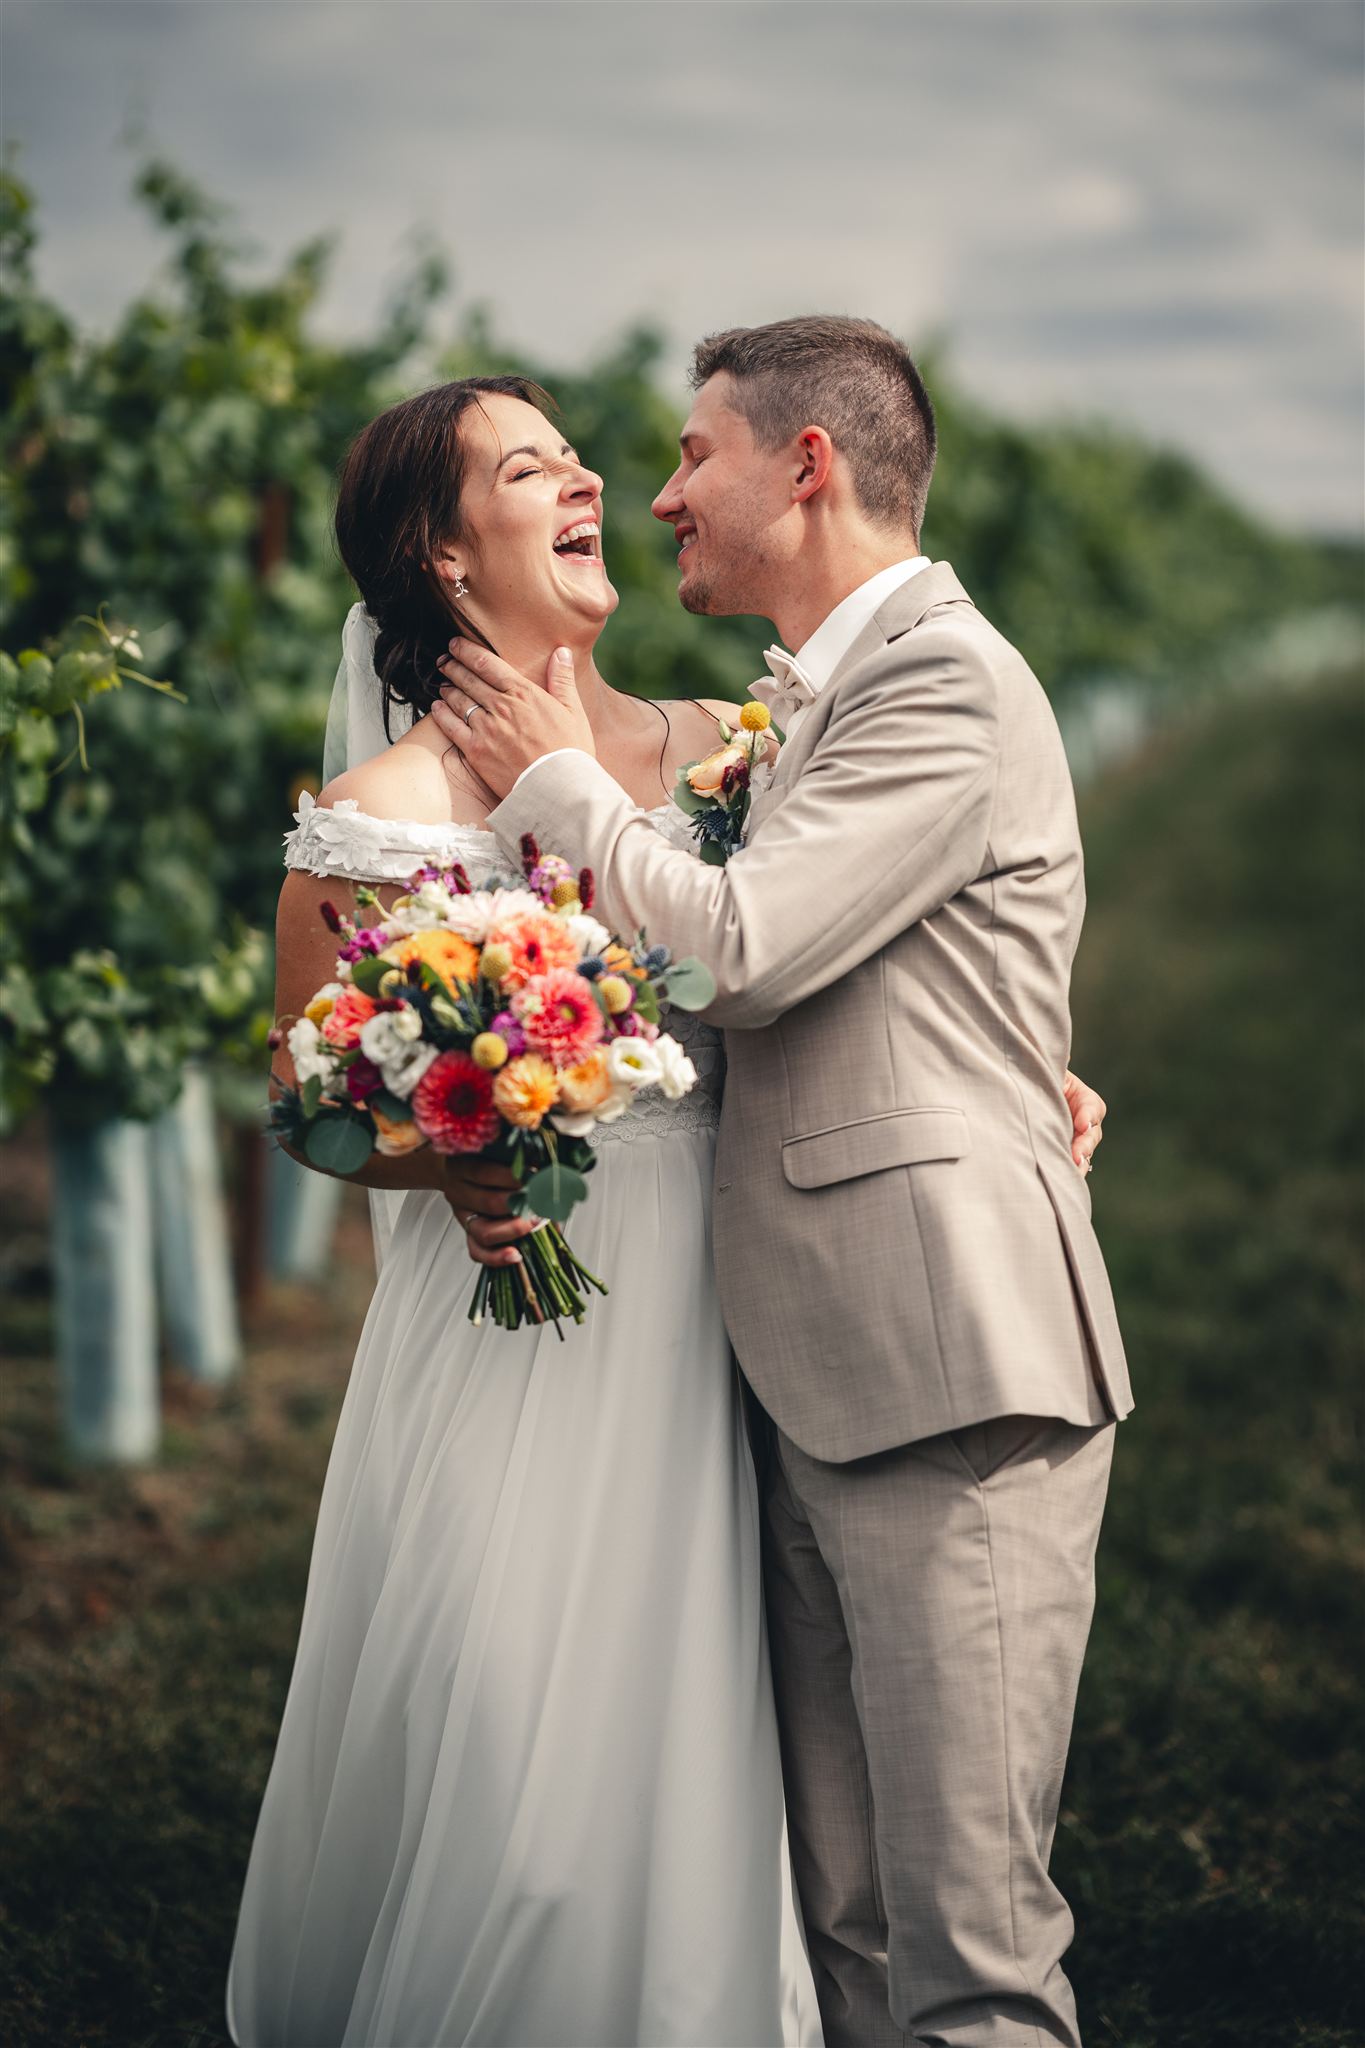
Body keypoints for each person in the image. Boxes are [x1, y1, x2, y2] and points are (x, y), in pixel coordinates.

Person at [226, 369, 1108, 2047]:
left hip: (752, 1319)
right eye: (531, 465)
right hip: (531, 1336)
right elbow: (306, 1105)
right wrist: (452, 1149)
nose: (599, 486)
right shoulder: (386, 815)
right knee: (524, 1762)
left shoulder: (721, 745)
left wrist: (1018, 1071)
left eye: (590, 454)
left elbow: (820, 939)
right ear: (433, 546)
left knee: (753, 1776)